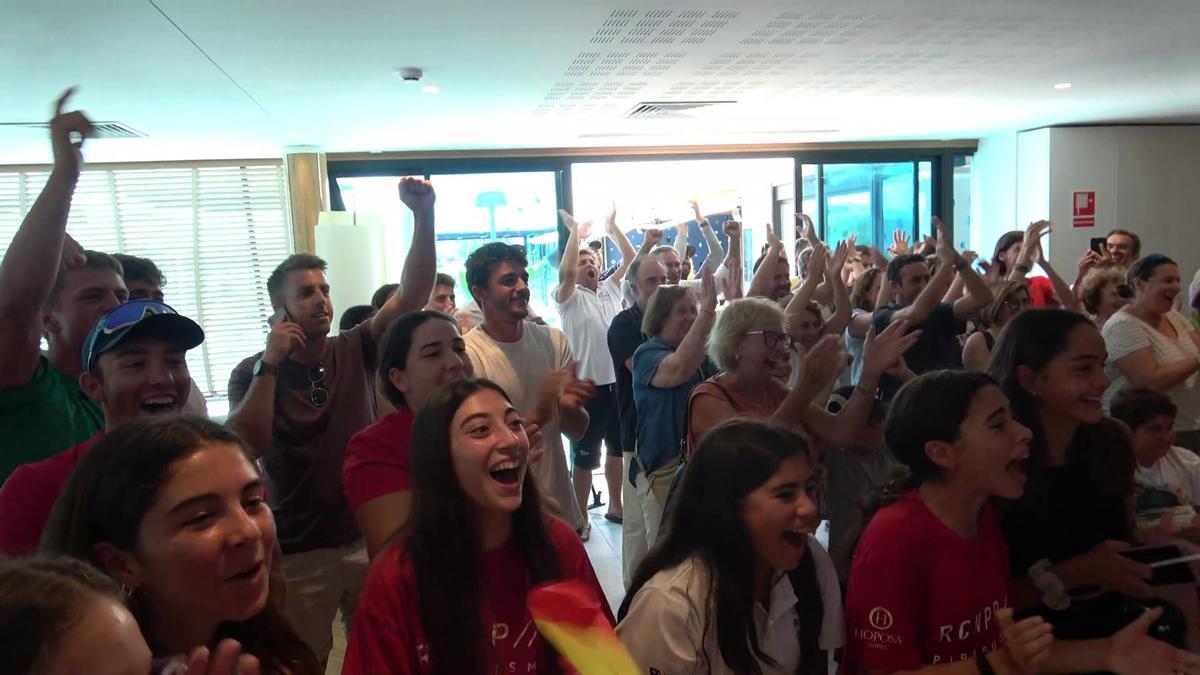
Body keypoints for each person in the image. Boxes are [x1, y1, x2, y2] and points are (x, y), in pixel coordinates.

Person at [844, 369, 1200, 675]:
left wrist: (1108, 652)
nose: (1023, 432)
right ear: (942, 452)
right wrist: (995, 666)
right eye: (999, 424)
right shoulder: (895, 537)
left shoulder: (981, 518)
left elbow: (1009, 650)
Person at [225, 177, 436, 661]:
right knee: (304, 659)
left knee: (385, 653)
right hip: (299, 550)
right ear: (280, 309)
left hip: (366, 532)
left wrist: (422, 217)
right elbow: (248, 442)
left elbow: (412, 294)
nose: (321, 300)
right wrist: (270, 365)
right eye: (306, 293)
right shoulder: (253, 372)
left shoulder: (354, 347)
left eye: (324, 289)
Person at [343, 378, 612, 674]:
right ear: (440, 458)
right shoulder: (397, 576)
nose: (510, 440)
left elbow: (602, 666)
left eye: (514, 423)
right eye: (481, 430)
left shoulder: (558, 543)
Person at [41, 415, 321, 674]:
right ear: (120, 562)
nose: (248, 531)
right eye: (202, 518)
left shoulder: (272, 648)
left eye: (252, 502)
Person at [988, 309, 1191, 644]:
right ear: (1029, 380)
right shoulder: (995, 461)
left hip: (1118, 631)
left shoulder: (1113, 440)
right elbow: (977, 602)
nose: (1104, 380)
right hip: (1030, 648)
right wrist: (1073, 574)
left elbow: (1125, 536)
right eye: (1084, 369)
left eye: (1102, 364)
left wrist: (1158, 543)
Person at [618, 420, 844, 675]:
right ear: (728, 507)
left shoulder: (812, 562)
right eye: (785, 494)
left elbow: (818, 664)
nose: (810, 508)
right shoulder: (672, 606)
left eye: (810, 488)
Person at [0, 300, 204, 556]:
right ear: (93, 386)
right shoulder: (41, 486)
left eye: (174, 362)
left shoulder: (225, 468)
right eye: (136, 364)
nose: (163, 379)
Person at [0, 90, 128, 483]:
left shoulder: (120, 393)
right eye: (93, 296)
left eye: (120, 296)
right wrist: (65, 176)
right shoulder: (29, 387)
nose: (113, 305)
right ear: (49, 320)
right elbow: (15, 307)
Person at [462, 241, 593, 536]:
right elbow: (486, 446)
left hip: (561, 512)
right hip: (506, 520)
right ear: (479, 293)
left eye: (524, 278)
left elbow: (576, 431)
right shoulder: (468, 356)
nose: (522, 286)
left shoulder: (553, 340)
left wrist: (571, 407)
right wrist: (543, 411)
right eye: (509, 280)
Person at [686, 297, 918, 453]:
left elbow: (840, 433)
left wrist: (870, 372)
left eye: (783, 339)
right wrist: (807, 387)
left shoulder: (774, 389)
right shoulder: (708, 399)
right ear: (734, 344)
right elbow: (758, 449)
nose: (781, 348)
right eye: (771, 337)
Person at [342, 310, 472, 558]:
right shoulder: (376, 447)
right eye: (433, 353)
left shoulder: (492, 427)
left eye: (459, 348)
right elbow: (398, 555)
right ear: (399, 378)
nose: (456, 362)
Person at [556, 207, 637, 528]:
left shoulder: (611, 289)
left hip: (618, 384)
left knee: (617, 451)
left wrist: (614, 228)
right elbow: (565, 274)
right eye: (582, 261)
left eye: (593, 261)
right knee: (585, 457)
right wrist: (575, 233)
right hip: (587, 388)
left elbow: (631, 261)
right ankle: (581, 517)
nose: (589, 265)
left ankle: (616, 506)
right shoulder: (568, 298)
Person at [631, 273, 720, 556]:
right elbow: (677, 370)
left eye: (693, 310)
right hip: (664, 470)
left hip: (699, 468)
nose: (691, 317)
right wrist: (707, 311)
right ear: (660, 317)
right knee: (665, 554)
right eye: (682, 311)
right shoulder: (647, 353)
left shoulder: (701, 356)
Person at [873, 219, 993, 399]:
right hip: (901, 406)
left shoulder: (938, 312)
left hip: (940, 400)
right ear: (895, 286)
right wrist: (945, 266)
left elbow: (983, 298)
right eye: (915, 280)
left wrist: (959, 261)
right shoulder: (883, 316)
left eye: (926, 279)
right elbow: (915, 313)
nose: (923, 285)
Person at [608, 253, 669, 586]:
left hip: (672, 436)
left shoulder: (674, 322)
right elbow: (650, 372)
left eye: (663, 280)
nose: (660, 287)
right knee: (637, 526)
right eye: (652, 281)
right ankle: (635, 599)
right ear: (633, 288)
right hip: (638, 436)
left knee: (660, 524)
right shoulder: (625, 325)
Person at [1102, 254, 1200, 452]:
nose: (1176, 287)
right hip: (1146, 434)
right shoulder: (1121, 326)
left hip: (1188, 427)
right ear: (1139, 284)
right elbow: (1150, 382)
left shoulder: (1172, 316)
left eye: (1178, 280)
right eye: (1168, 280)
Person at [112, 253, 210, 416]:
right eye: (136, 299)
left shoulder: (184, 386)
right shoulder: (106, 378)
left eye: (158, 300)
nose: (151, 308)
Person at [1110, 387, 1200, 536]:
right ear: (1126, 432)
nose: (1166, 437)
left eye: (1170, 427)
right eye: (1155, 430)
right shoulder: (1105, 468)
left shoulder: (1188, 462)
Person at [962, 281, 1030, 371]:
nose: (1021, 309)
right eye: (1013, 303)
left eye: (1025, 302)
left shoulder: (1029, 335)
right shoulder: (980, 341)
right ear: (997, 305)